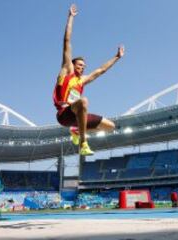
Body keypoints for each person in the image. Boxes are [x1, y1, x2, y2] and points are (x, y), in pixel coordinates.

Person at [53, 4, 124, 156]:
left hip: (77, 114)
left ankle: (76, 130)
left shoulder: (82, 80)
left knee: (110, 126)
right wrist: (71, 17)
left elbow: (101, 70)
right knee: (84, 101)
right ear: (72, 64)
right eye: (80, 65)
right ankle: (83, 144)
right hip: (64, 114)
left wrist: (116, 57)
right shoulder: (66, 71)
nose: (82, 68)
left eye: (84, 66)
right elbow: (66, 41)